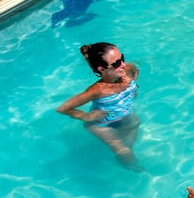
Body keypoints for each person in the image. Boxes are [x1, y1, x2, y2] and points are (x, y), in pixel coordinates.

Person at [56, 42, 142, 171]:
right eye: (116, 63)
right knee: (125, 152)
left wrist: (130, 89)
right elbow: (63, 108)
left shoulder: (128, 70)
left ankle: (123, 155)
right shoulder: (97, 90)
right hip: (101, 124)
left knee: (134, 130)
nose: (123, 65)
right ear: (102, 69)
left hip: (122, 115)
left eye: (122, 58)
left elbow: (135, 72)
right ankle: (135, 170)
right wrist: (86, 116)